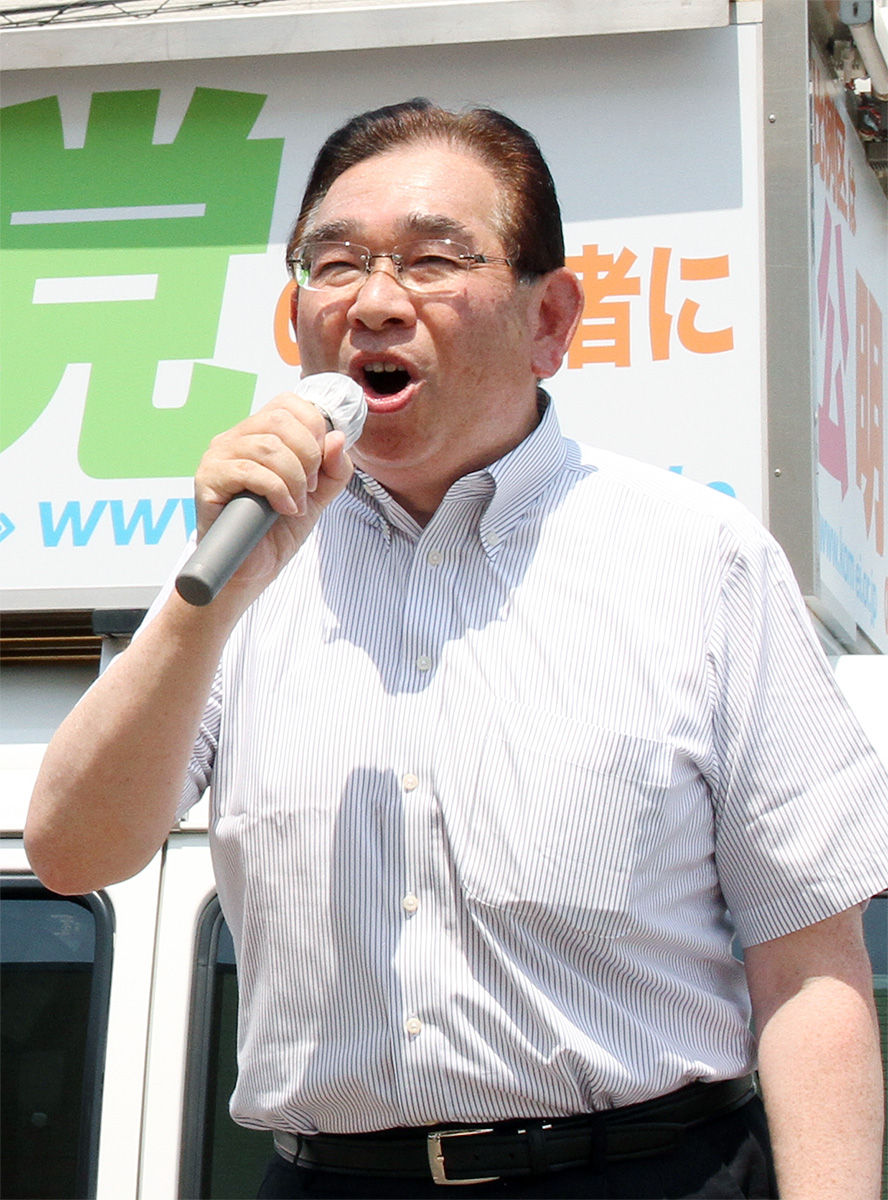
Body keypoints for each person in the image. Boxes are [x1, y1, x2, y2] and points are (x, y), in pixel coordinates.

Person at [26, 99, 888, 1200]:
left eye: (433, 261)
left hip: (645, 1169)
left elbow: (810, 968)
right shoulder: (245, 564)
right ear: (296, 315)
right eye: (335, 264)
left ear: (550, 317)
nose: (375, 302)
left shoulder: (699, 559)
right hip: (334, 1177)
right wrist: (210, 604)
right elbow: (73, 856)